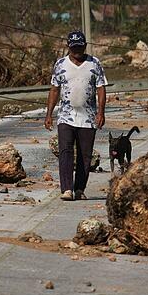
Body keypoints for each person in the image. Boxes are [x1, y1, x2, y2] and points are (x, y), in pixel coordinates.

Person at [45, 31, 107, 201]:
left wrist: (101, 112)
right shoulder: (60, 65)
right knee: (65, 151)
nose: (77, 51)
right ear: (69, 48)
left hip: (88, 116)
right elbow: (54, 89)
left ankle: (79, 188)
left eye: (80, 47)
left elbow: (101, 88)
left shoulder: (94, 64)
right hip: (66, 115)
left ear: (85, 46)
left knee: (85, 155)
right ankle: (66, 189)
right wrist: (49, 114)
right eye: (74, 48)